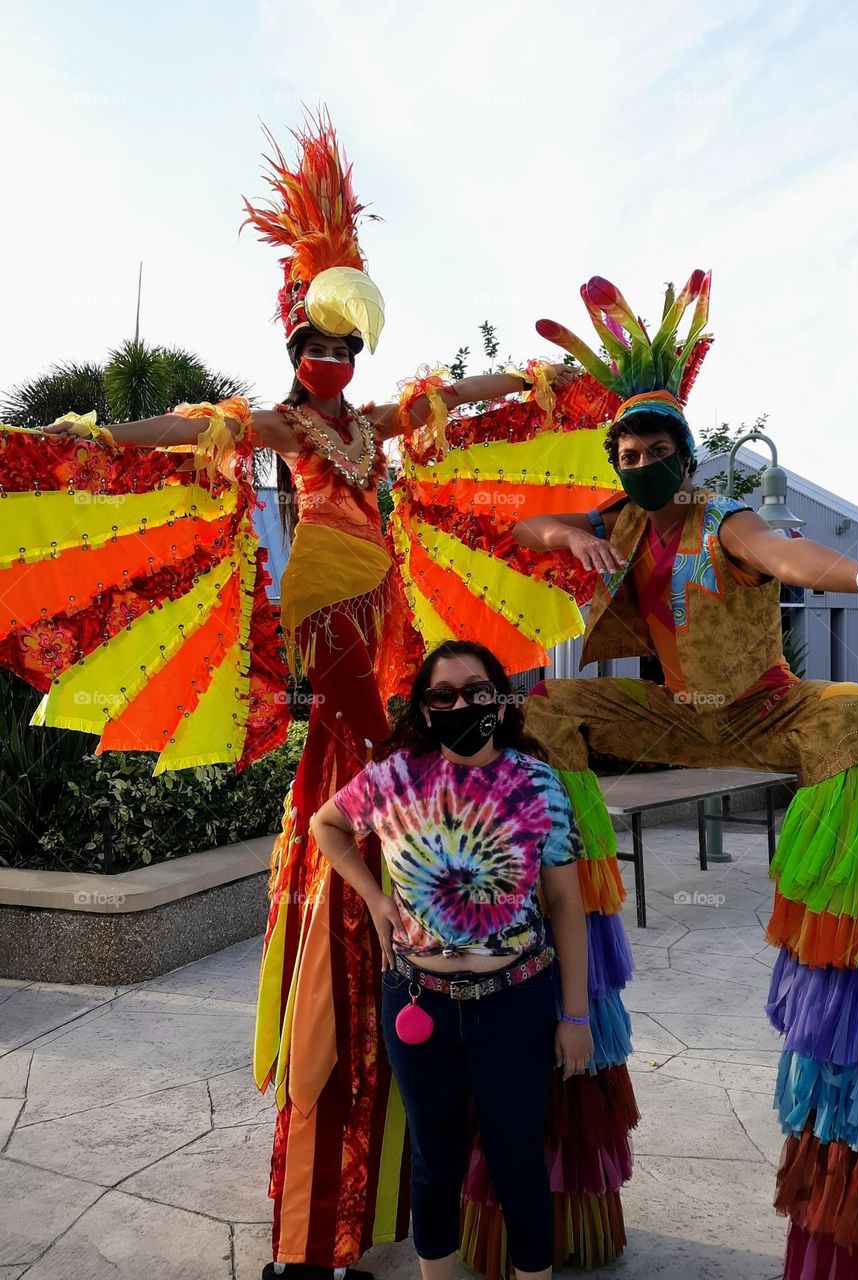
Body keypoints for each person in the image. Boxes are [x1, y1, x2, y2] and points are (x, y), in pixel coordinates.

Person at [19, 111, 577, 1280]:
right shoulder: (275, 426)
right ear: (292, 343)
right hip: (338, 681)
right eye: (320, 345)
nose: (338, 366)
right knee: (363, 845)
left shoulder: (368, 429)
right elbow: (183, 429)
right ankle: (328, 1210)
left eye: (350, 349)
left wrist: (516, 379)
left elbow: (449, 403)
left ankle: (441, 1172)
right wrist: (99, 434)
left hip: (386, 646)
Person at [508, 271, 858, 1280]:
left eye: (658, 448)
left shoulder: (726, 521)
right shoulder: (619, 524)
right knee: (543, 709)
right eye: (627, 452)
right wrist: (566, 531)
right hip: (669, 717)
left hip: (764, 707)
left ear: (685, 449)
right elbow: (520, 535)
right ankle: (556, 903)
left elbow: (793, 556)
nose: (643, 462)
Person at [311, 640, 593, 1280]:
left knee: (518, 1157)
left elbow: (566, 907)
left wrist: (574, 1016)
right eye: (444, 694)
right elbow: (325, 827)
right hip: (419, 1004)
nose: (462, 703)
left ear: (500, 698)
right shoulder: (392, 779)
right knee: (433, 1159)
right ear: (424, 706)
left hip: (516, 1003)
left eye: (477, 691)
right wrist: (377, 899)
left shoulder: (538, 784)